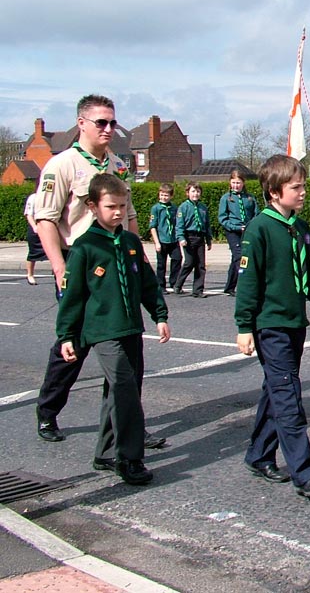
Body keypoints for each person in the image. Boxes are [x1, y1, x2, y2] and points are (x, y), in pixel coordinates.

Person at [32, 94, 167, 449]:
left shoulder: (117, 166)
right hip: (80, 265)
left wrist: (138, 258)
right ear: (82, 124)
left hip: (117, 265)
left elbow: (131, 215)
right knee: (72, 346)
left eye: (112, 122)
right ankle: (48, 409)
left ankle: (126, 425)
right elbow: (46, 219)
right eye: (101, 123)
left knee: (125, 350)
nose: (109, 129)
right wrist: (60, 268)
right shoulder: (61, 166)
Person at [235, 154, 310, 500]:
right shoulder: (260, 228)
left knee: (276, 390)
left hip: (295, 324)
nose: (304, 192)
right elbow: (248, 282)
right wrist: (244, 326)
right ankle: (305, 473)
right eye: (296, 187)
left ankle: (259, 454)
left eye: (304, 185)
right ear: (275, 192)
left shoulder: (300, 227)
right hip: (270, 326)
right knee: (288, 396)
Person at [56, 174, 170, 486]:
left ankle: (104, 452)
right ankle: (129, 458)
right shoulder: (85, 247)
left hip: (131, 327)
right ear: (92, 206)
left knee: (119, 388)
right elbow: (73, 296)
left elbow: (147, 283)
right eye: (111, 206)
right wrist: (66, 335)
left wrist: (159, 314)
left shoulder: (131, 242)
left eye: (122, 205)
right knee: (124, 388)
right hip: (103, 330)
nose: (118, 212)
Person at [218, 169, 259, 296]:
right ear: (230, 183)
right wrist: (234, 227)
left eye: (239, 183)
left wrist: (250, 227)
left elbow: (256, 214)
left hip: (246, 231)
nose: (236, 185)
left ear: (243, 183)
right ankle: (243, 286)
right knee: (239, 257)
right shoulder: (226, 198)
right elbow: (222, 218)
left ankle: (229, 287)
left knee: (239, 258)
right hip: (233, 231)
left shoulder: (250, 198)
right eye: (234, 183)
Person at [174, 181, 212, 298]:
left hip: (200, 237)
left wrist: (208, 240)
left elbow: (207, 224)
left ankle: (198, 290)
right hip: (188, 238)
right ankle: (178, 285)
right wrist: (181, 238)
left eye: (198, 191)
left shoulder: (203, 207)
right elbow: (179, 225)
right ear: (187, 193)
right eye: (193, 191)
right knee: (189, 263)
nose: (195, 194)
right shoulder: (183, 207)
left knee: (201, 265)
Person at [149, 183, 181, 294]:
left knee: (177, 258)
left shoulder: (174, 208)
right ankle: (161, 285)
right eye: (162, 195)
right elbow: (153, 227)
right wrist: (156, 242)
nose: (164, 197)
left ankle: (174, 281)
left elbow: (177, 223)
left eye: (166, 195)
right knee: (161, 264)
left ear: (171, 196)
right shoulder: (156, 208)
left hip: (173, 239)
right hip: (161, 240)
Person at [24, 191, 45, 285]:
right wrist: (34, 227)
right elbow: (29, 214)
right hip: (35, 228)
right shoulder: (33, 197)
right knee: (33, 253)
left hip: (47, 228)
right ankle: (30, 274)